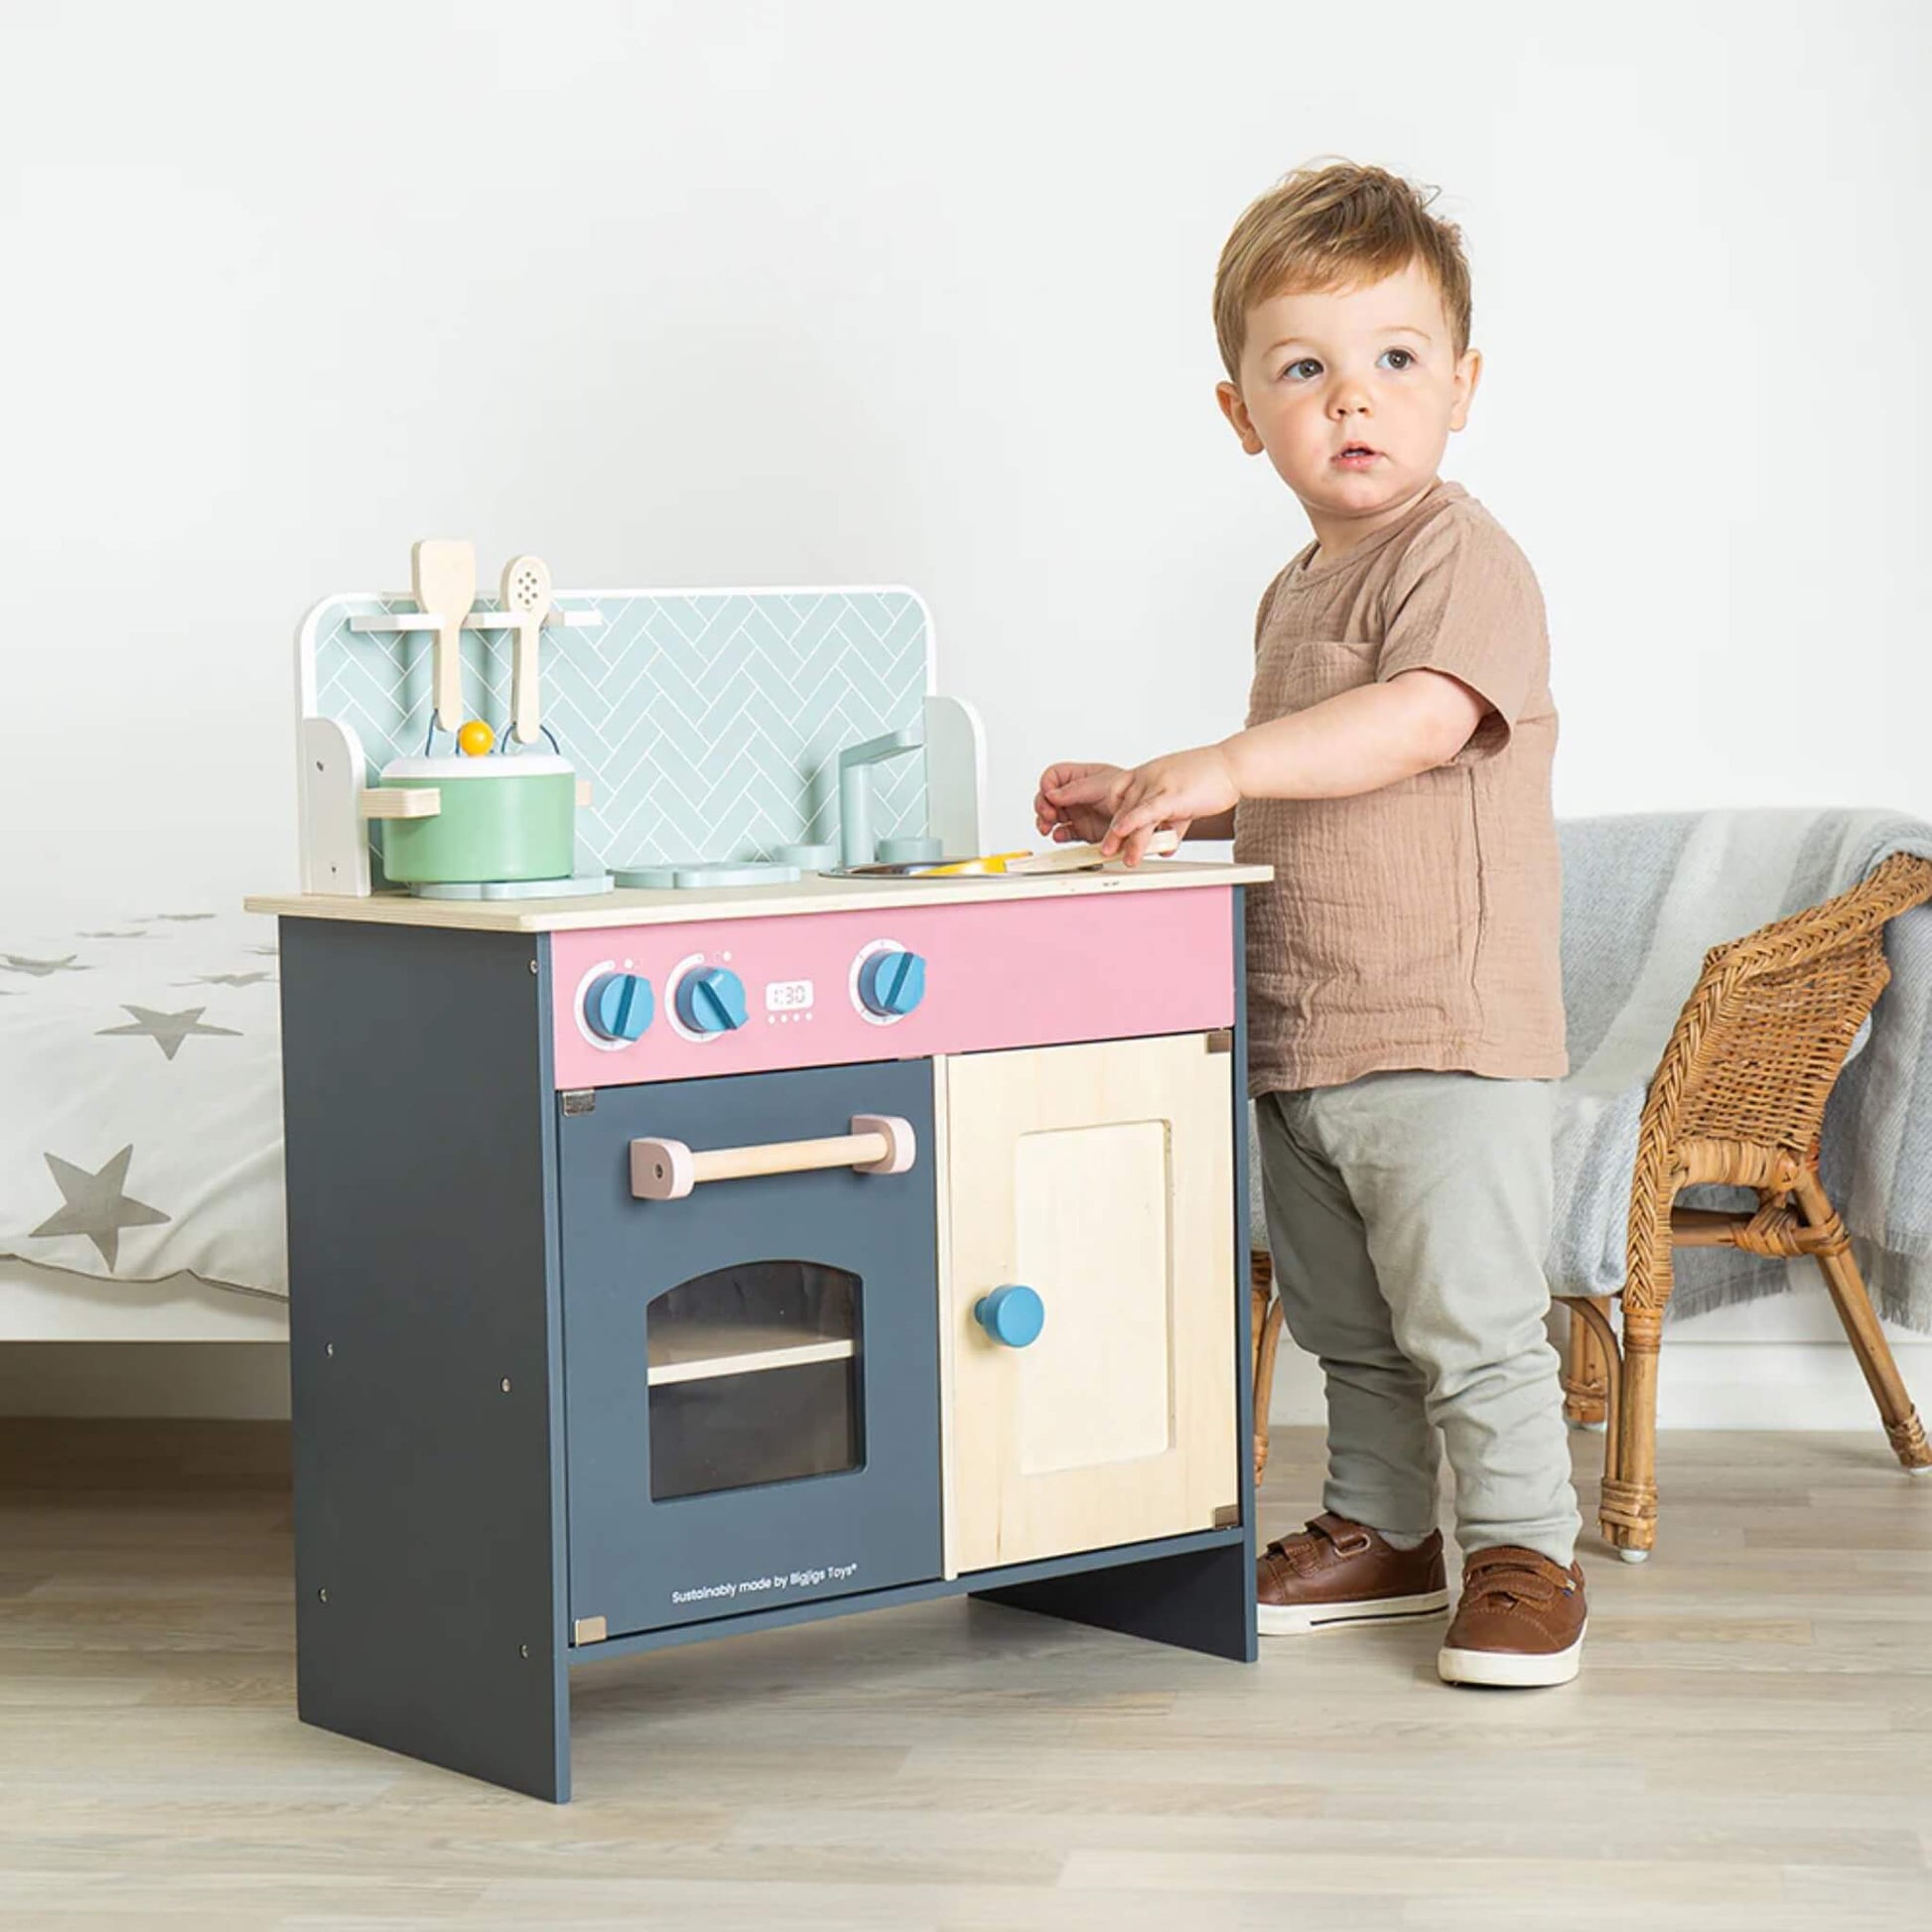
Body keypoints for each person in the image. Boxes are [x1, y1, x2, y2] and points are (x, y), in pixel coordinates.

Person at [1034, 159, 1587, 1688]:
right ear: (1240, 413)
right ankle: (1384, 1528)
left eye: (1395, 359)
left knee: (1468, 1319)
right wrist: (1165, 796)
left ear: (1461, 385)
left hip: (1441, 1029)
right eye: (1303, 369)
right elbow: (1307, 786)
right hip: (1305, 1029)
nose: (1352, 398)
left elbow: (1415, 723)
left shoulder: (1458, 556)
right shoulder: (1294, 589)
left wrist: (1221, 762)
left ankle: (1526, 1547)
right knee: (1350, 1325)